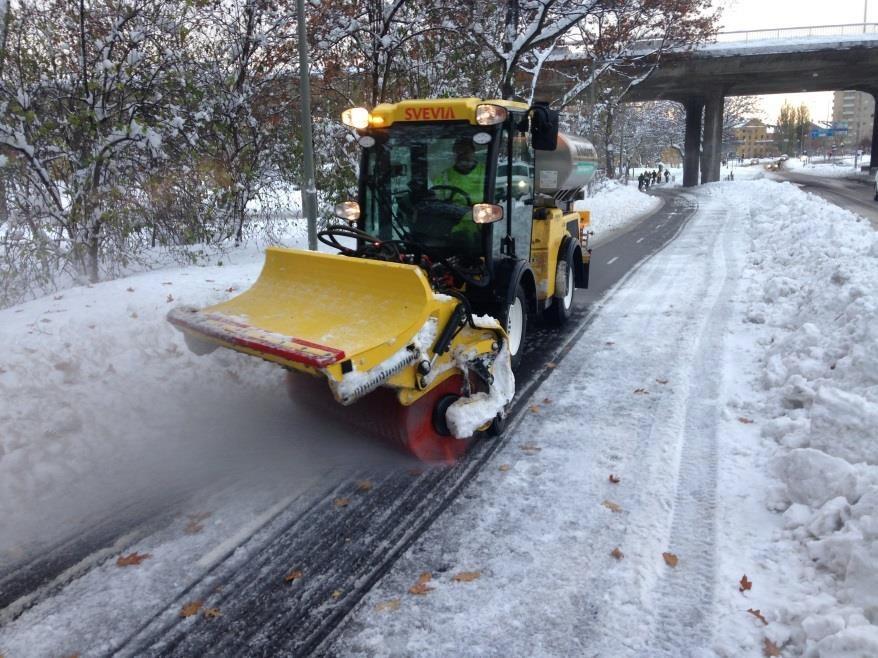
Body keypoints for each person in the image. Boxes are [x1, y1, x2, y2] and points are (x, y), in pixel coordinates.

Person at [430, 137, 486, 248]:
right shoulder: (444, 176)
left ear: (473, 152)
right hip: (452, 228)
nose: (462, 155)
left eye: (466, 152)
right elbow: (434, 200)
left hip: (481, 230)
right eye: (458, 152)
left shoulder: (486, 173)